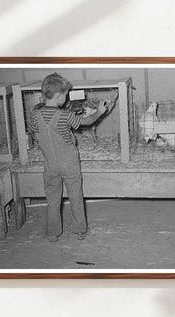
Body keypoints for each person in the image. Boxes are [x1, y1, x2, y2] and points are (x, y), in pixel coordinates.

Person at [30, 73, 107, 242]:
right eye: (65, 94)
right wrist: (99, 112)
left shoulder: (35, 115)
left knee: (52, 199)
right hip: (69, 163)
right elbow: (86, 122)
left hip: (50, 163)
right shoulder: (65, 115)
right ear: (59, 97)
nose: (66, 98)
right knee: (75, 196)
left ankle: (52, 233)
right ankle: (80, 230)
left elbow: (36, 135)